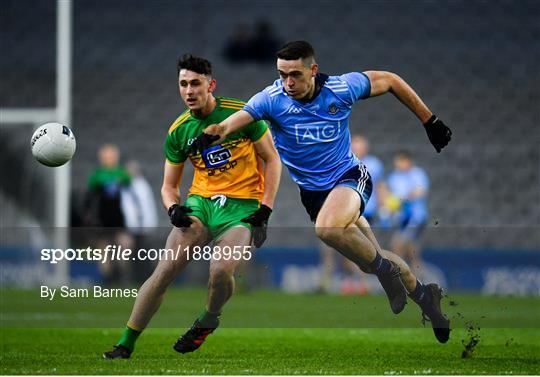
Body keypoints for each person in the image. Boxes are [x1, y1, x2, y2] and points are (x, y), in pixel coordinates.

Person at [193, 41, 452, 343]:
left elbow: (391, 80)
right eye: (282, 74)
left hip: (350, 178)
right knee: (373, 260)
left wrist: (429, 120)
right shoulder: (272, 98)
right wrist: (212, 133)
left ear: (312, 70)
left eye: (295, 75)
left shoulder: (341, 88)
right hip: (315, 197)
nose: (288, 82)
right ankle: (426, 298)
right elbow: (230, 124)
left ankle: (387, 274)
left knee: (328, 229)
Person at [103, 54, 281, 359]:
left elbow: (273, 160)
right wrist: (173, 208)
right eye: (183, 84)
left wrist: (266, 209)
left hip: (242, 207)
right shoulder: (178, 132)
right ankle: (125, 343)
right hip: (200, 204)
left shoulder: (242, 115)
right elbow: (168, 187)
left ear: (211, 84)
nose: (189, 90)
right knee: (165, 270)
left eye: (195, 83)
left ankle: (209, 319)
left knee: (221, 270)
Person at [85, 143, 134, 286]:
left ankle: (122, 275)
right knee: (104, 250)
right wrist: (89, 217)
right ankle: (107, 279)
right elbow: (89, 198)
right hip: (101, 218)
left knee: (124, 246)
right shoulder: (96, 176)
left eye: (111, 155)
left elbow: (129, 190)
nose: (109, 158)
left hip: (119, 218)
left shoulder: (122, 173)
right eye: (106, 155)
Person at [387, 151, 429, 276]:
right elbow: (391, 197)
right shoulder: (394, 177)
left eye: (400, 161)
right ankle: (418, 273)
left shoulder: (418, 174)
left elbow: (421, 191)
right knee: (411, 248)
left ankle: (399, 274)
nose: (397, 165)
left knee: (397, 243)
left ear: (407, 161)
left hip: (417, 218)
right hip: (403, 219)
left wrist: (405, 197)